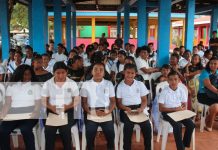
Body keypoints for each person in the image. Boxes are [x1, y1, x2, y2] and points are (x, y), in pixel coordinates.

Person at [0, 65, 41, 150]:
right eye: (25, 74)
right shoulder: (12, 86)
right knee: (2, 130)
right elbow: (7, 104)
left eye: (29, 74)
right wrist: (2, 114)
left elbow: (38, 103)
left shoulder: (35, 86)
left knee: (25, 130)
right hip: (13, 114)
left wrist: (36, 112)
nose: (27, 76)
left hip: (29, 113)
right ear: (19, 74)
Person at [41, 61, 80, 150]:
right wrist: (51, 107)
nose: (61, 76)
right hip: (52, 110)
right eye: (58, 73)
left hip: (68, 110)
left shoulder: (72, 83)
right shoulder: (47, 83)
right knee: (49, 130)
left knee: (65, 129)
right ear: (53, 73)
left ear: (67, 72)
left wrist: (66, 107)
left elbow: (76, 100)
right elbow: (44, 100)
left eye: (63, 73)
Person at [80, 62, 116, 150]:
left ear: (104, 73)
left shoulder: (108, 84)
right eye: (95, 69)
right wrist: (91, 112)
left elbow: (112, 101)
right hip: (91, 111)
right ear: (91, 72)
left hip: (106, 111)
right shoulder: (86, 84)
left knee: (110, 132)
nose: (98, 72)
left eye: (101, 70)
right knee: (90, 132)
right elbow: (84, 102)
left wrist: (107, 112)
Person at [116, 63, 152, 150]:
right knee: (128, 126)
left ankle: (148, 148)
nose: (130, 75)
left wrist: (141, 108)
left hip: (139, 108)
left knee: (147, 126)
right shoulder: (120, 86)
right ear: (124, 72)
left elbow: (144, 100)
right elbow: (119, 103)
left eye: (132, 73)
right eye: (128, 72)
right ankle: (126, 148)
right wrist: (125, 108)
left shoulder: (140, 84)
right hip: (126, 110)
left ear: (135, 74)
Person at [158, 71, 195, 150]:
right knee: (177, 125)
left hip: (179, 112)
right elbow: (161, 108)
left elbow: (184, 105)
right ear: (168, 81)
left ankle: (184, 144)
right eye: (171, 80)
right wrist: (175, 109)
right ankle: (180, 148)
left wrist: (182, 109)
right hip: (167, 112)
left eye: (175, 79)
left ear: (179, 80)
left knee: (191, 125)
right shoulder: (164, 91)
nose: (173, 81)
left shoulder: (181, 90)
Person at [197, 57, 218, 131]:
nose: (212, 65)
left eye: (215, 64)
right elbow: (209, 86)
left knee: (216, 106)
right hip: (203, 95)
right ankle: (209, 124)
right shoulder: (205, 72)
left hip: (214, 95)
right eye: (211, 63)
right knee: (216, 106)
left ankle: (208, 118)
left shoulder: (217, 72)